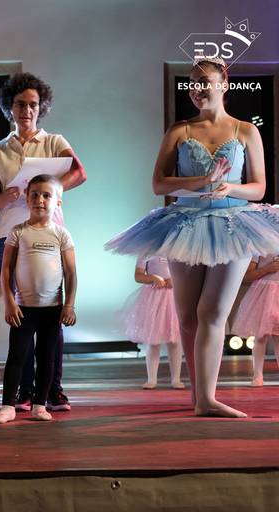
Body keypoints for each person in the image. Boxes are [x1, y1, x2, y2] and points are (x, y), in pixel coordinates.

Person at [106, 57, 279, 417]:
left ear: (223, 83)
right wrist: (202, 182)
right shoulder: (179, 131)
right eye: (192, 83)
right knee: (187, 317)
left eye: (204, 81)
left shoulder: (246, 131)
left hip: (233, 225)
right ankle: (199, 397)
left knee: (211, 311)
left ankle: (209, 399)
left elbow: (259, 187)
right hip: (185, 223)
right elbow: (159, 184)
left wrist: (230, 187)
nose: (197, 88)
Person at [0, 72, 86, 412]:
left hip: (49, 233)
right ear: (9, 107)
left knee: (53, 312)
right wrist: (9, 195)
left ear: (41, 108)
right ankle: (24, 391)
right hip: (9, 234)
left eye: (33, 105)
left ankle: (52, 389)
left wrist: (48, 191)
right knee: (20, 314)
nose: (26, 110)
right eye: (20, 104)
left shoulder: (54, 141)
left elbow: (79, 173)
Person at [0, 174, 77, 423]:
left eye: (46, 195)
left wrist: (69, 305)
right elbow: (6, 270)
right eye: (35, 195)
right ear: (27, 199)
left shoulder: (62, 234)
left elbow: (71, 273)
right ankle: (8, 406)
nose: (40, 199)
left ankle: (40, 404)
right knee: (16, 356)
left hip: (52, 309)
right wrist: (9, 302)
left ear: (58, 202)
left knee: (47, 357)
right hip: (23, 308)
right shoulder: (17, 232)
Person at [122, 256, 184, 389]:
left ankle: (176, 379)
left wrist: (176, 279)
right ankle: (151, 379)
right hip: (153, 298)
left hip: (173, 297)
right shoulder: (147, 251)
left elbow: (186, 272)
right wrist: (153, 278)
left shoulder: (177, 250)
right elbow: (138, 276)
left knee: (175, 340)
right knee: (153, 340)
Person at [230, 252, 279, 387]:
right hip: (264, 294)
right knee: (260, 336)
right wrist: (267, 268)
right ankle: (258, 375)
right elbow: (247, 276)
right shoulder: (260, 246)